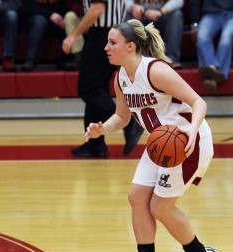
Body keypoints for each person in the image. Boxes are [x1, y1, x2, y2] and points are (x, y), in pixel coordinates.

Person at [85, 19, 218, 252]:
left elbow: (198, 102)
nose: (106, 47)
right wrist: (101, 129)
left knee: (159, 207)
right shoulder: (121, 78)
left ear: (130, 46)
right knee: (136, 197)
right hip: (161, 143)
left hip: (187, 142)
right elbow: (122, 118)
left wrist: (192, 131)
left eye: (112, 43)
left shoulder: (155, 71)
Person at [62, 0, 144, 157]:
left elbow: (97, 8)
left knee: (88, 89)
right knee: (98, 87)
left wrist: (73, 35)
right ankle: (95, 144)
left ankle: (130, 122)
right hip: (114, 32)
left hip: (102, 33)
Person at [190, 0, 233, 91]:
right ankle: (213, 69)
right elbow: (195, 2)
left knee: (226, 38)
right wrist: (195, 23)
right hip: (210, 14)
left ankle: (213, 75)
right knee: (202, 36)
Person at [124, 0, 184, 69]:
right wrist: (133, 7)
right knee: (126, 15)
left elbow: (179, 1)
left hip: (162, 15)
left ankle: (171, 59)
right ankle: (131, 59)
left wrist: (161, 11)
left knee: (176, 15)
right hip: (139, 15)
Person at [19, 0, 67, 72]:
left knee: (69, 21)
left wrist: (61, 17)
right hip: (34, 16)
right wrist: (50, 14)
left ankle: (65, 63)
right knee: (39, 22)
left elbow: (65, 5)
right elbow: (27, 6)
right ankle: (30, 61)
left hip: (57, 17)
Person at [62, 0, 84, 70]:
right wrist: (87, 10)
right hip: (81, 17)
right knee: (69, 16)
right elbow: (71, 6)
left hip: (99, 18)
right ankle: (78, 58)